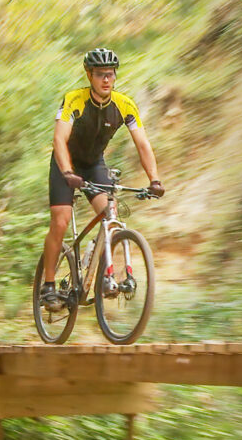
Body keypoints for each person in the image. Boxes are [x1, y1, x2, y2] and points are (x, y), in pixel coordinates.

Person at [40, 47, 164, 305]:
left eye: (110, 74)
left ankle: (102, 277)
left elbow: (142, 144)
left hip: (94, 164)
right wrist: (66, 172)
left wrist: (155, 180)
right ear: (89, 75)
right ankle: (48, 285)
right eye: (100, 74)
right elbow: (59, 140)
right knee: (61, 221)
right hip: (66, 163)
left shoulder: (125, 105)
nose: (106, 79)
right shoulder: (74, 100)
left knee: (111, 214)